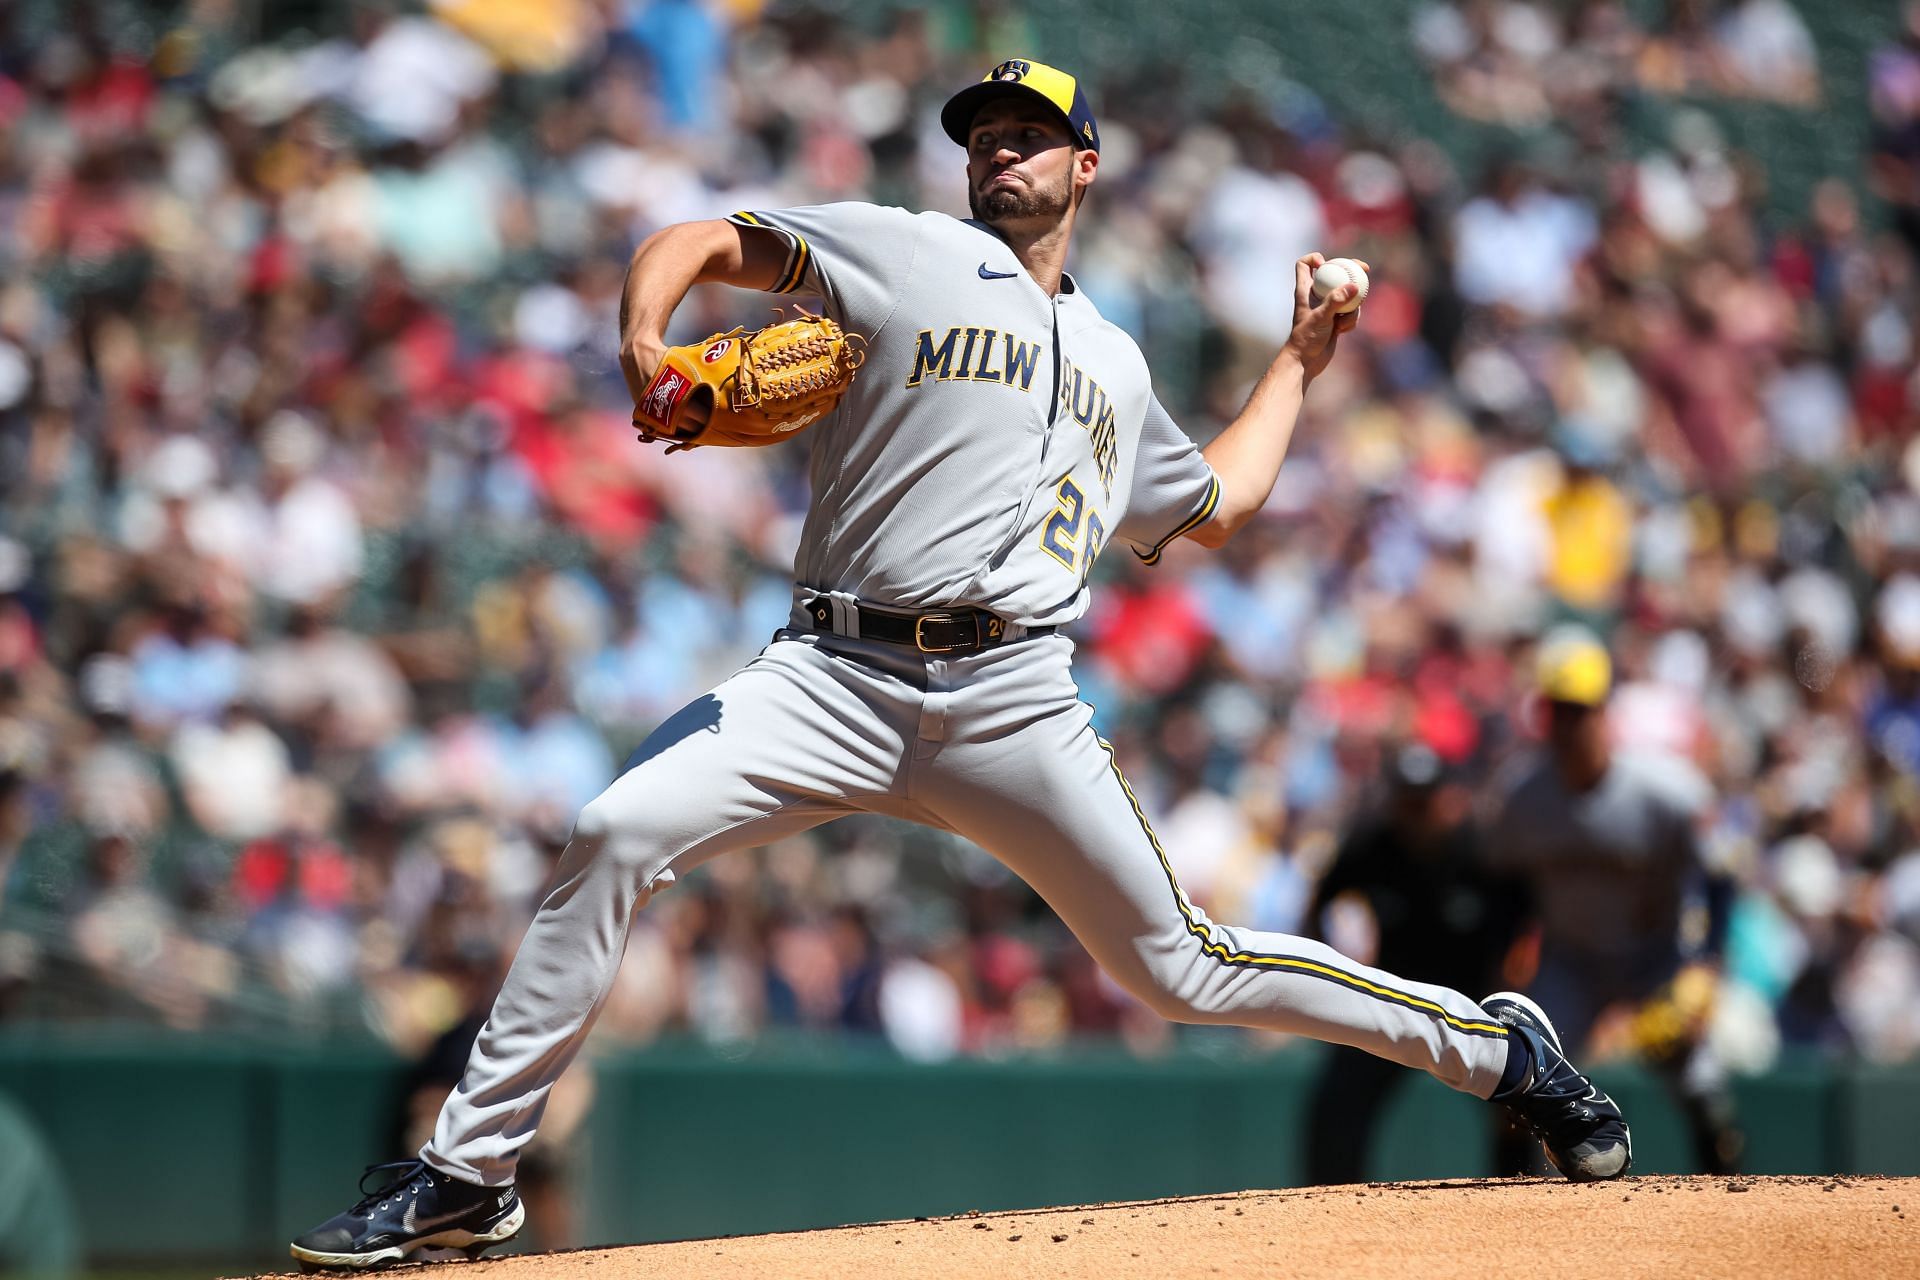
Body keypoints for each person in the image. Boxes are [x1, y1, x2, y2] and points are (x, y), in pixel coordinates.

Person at [290, 59, 1630, 1268]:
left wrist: (1297, 359)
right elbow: (700, 238)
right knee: (614, 827)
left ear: (1084, 167)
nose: (1000, 149)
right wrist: (647, 340)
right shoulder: (906, 251)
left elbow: (1214, 501)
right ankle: (467, 1172)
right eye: (983, 132)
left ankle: (1498, 1048)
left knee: (1183, 968)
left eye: (1031, 133)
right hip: (831, 673)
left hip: (1013, 701)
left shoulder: (1112, 359)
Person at [1483, 627, 1742, 1174]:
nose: (1569, 724)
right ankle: (1501, 1222)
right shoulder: (1522, 796)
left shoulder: (1666, 791)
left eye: (1580, 709)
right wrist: (1506, 962)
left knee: (1703, 1091)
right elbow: (1506, 890)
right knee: (1508, 1075)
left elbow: (1720, 877)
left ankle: (1731, 1207)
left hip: (1654, 958)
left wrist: (1707, 966)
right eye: (1558, 710)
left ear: (1605, 712)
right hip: (1569, 961)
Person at [1303, 746, 1529, 1185]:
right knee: (1337, 1100)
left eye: (1425, 800)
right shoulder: (1372, 844)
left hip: (1475, 1003)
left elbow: (1529, 917)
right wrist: (1336, 972)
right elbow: (1318, 906)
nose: (1415, 814)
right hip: (1396, 998)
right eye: (1406, 801)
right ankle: (1327, 1203)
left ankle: (1527, 1197)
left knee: (1519, 1101)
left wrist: (1515, 976)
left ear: (1451, 798)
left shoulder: (1482, 851)